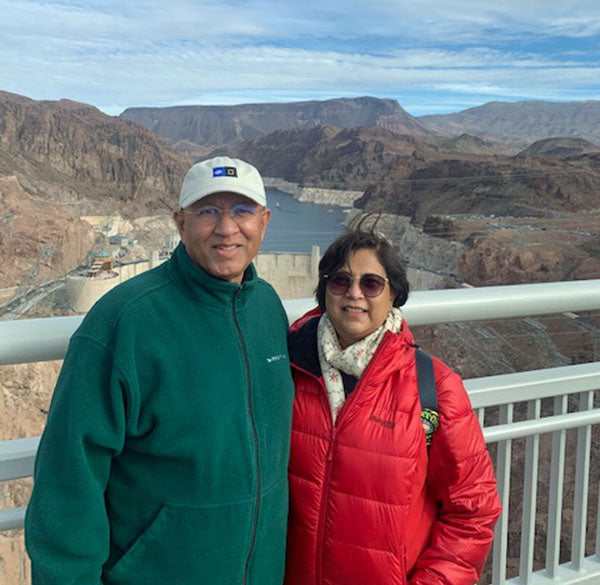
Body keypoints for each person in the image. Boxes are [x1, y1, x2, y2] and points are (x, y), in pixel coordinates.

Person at [25, 156, 295, 585]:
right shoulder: (125, 322)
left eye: (242, 211)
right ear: (179, 221)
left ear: (264, 221)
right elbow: (68, 480)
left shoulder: (267, 310)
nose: (227, 228)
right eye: (208, 211)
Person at [284, 217, 502, 585]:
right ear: (325, 292)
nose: (354, 294)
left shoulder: (434, 388)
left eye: (371, 283)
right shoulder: (287, 366)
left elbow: (473, 511)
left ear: (393, 294)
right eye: (340, 281)